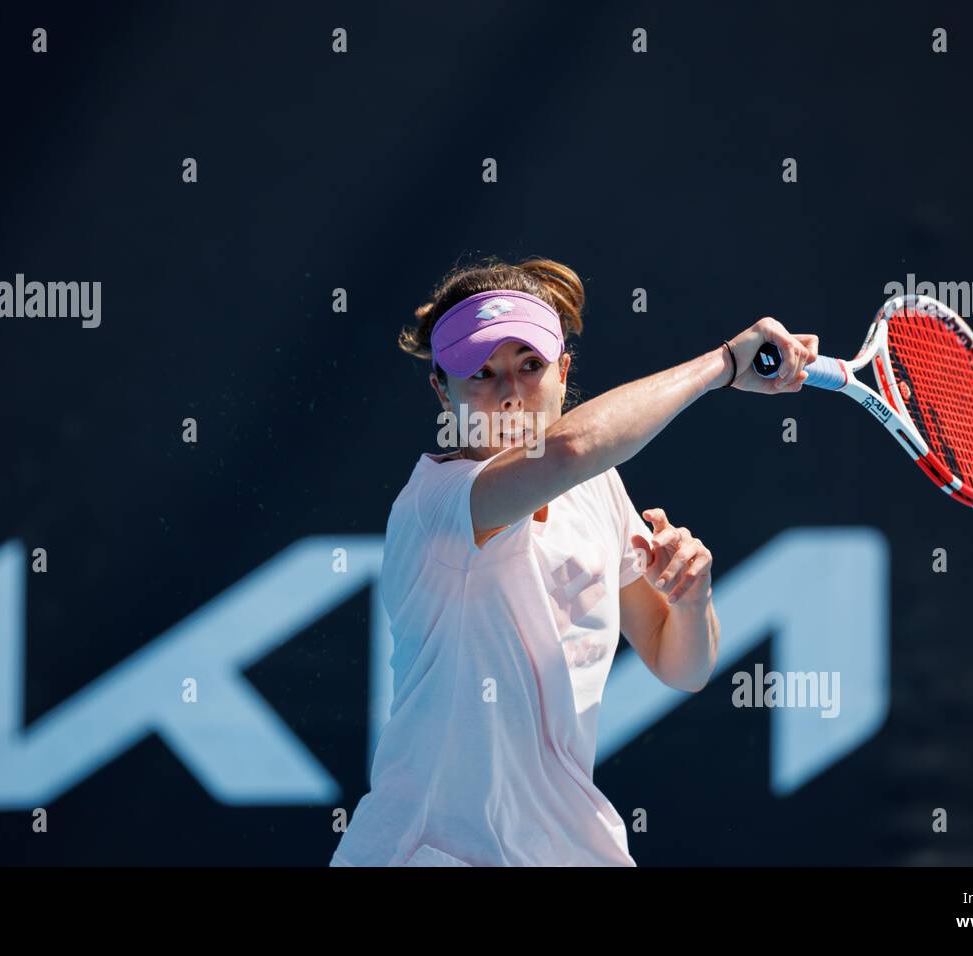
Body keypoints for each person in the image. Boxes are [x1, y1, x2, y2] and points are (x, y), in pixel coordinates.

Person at [330, 256, 817, 866]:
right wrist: (722, 365)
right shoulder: (437, 503)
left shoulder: (597, 489)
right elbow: (571, 447)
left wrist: (691, 602)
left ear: (564, 371)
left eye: (530, 365)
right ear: (441, 389)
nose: (509, 393)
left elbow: (680, 664)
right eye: (481, 373)